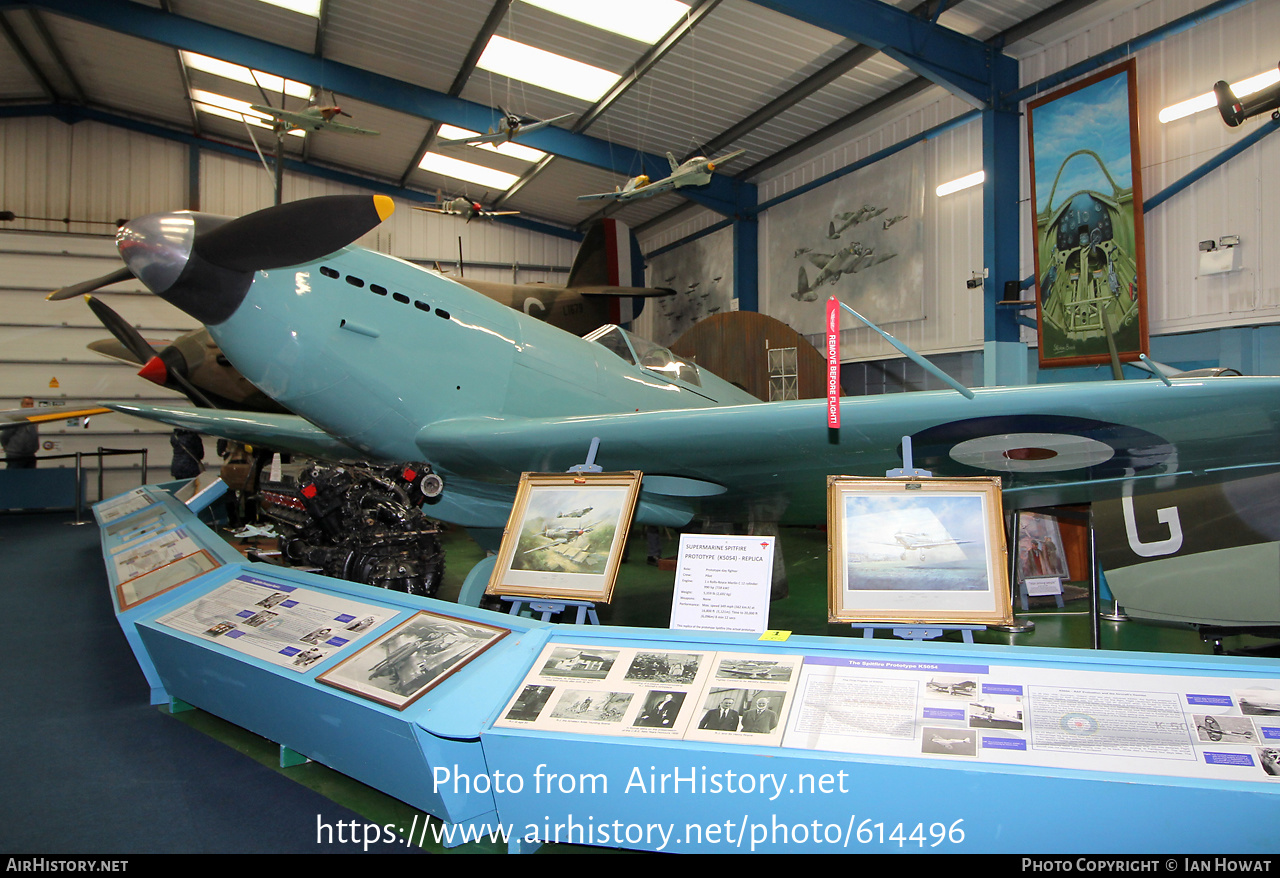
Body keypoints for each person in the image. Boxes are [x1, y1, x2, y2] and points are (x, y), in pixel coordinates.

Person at [1, 397, 39, 469]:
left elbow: (34, 435)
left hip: (30, 455)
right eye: (27, 404)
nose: (30, 406)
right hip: (15, 456)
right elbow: (4, 436)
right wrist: (8, 448)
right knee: (13, 477)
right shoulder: (15, 418)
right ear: (22, 405)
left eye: (31, 404)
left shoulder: (35, 418)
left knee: (31, 477)